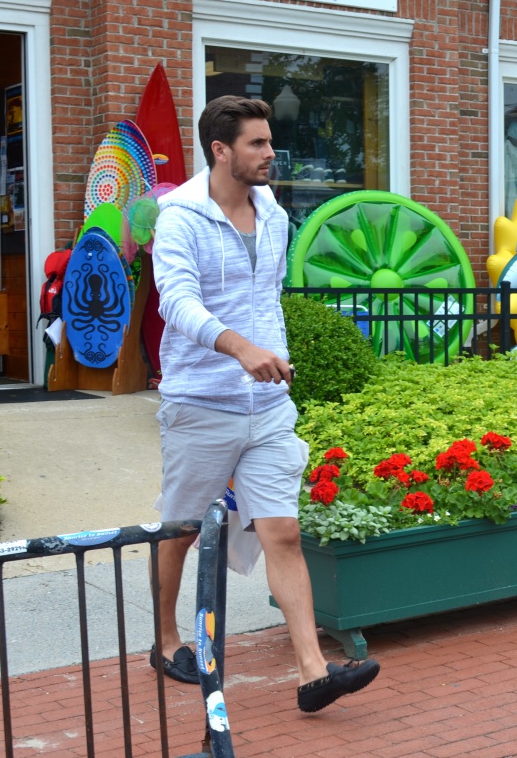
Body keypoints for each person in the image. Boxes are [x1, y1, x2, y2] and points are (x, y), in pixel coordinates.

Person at [151, 95, 379, 712]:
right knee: (181, 528)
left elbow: (267, 296)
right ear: (221, 150)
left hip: (270, 402)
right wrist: (239, 347)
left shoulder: (273, 214)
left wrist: (270, 352)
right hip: (201, 400)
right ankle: (166, 636)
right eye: (257, 144)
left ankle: (312, 672)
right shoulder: (179, 218)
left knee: (282, 530)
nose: (271, 154)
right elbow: (176, 301)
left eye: (270, 143)